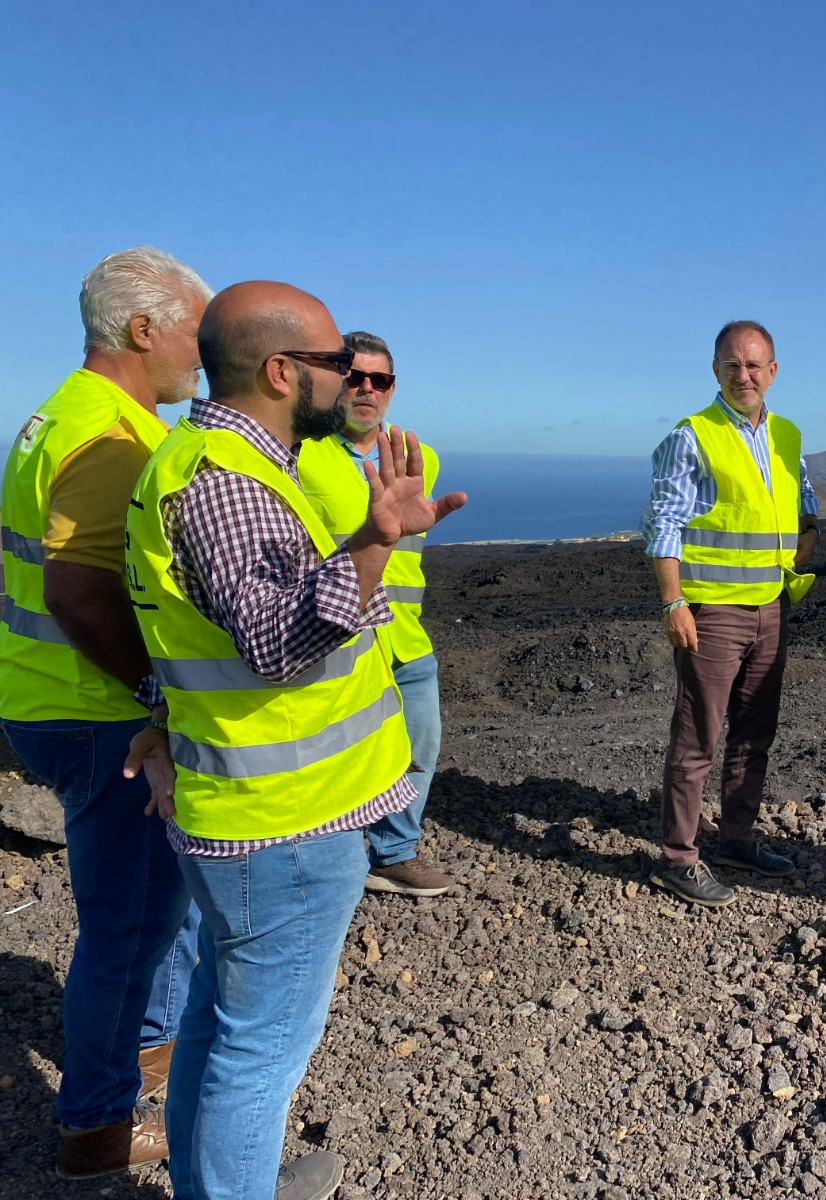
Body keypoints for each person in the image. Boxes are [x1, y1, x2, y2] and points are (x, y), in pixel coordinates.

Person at [124, 281, 466, 1199]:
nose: (350, 378)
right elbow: (277, 644)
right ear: (282, 372)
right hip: (282, 824)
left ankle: (213, 1184)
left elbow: (186, 626)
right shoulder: (228, 484)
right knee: (262, 1048)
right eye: (335, 362)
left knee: (219, 1023)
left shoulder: (211, 462)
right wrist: (376, 540)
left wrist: (158, 719)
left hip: (256, 812)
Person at [0, 247, 208, 1177]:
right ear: (143, 328)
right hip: (97, 716)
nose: (204, 354)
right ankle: (98, 1128)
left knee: (147, 916)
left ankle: (144, 1061)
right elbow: (80, 594)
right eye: (196, 331)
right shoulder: (114, 439)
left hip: (46, 697)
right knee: (129, 931)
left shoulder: (61, 412)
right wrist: (156, 696)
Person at [641, 320, 818, 906]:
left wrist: (807, 543)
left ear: (773, 371)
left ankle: (738, 839)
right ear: (715, 370)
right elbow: (663, 524)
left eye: (754, 365)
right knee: (698, 737)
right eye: (732, 365)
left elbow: (804, 504)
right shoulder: (693, 435)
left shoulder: (787, 435)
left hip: (771, 607)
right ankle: (677, 858)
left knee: (754, 734)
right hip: (713, 612)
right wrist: (674, 602)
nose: (744, 375)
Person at [298, 330, 450, 897]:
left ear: (391, 388)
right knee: (333, 754)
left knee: (419, 745)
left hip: (405, 638)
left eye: (379, 380)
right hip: (337, 635)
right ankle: (326, 863)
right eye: (355, 376)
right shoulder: (301, 453)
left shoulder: (416, 457)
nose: (367, 389)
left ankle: (394, 853)